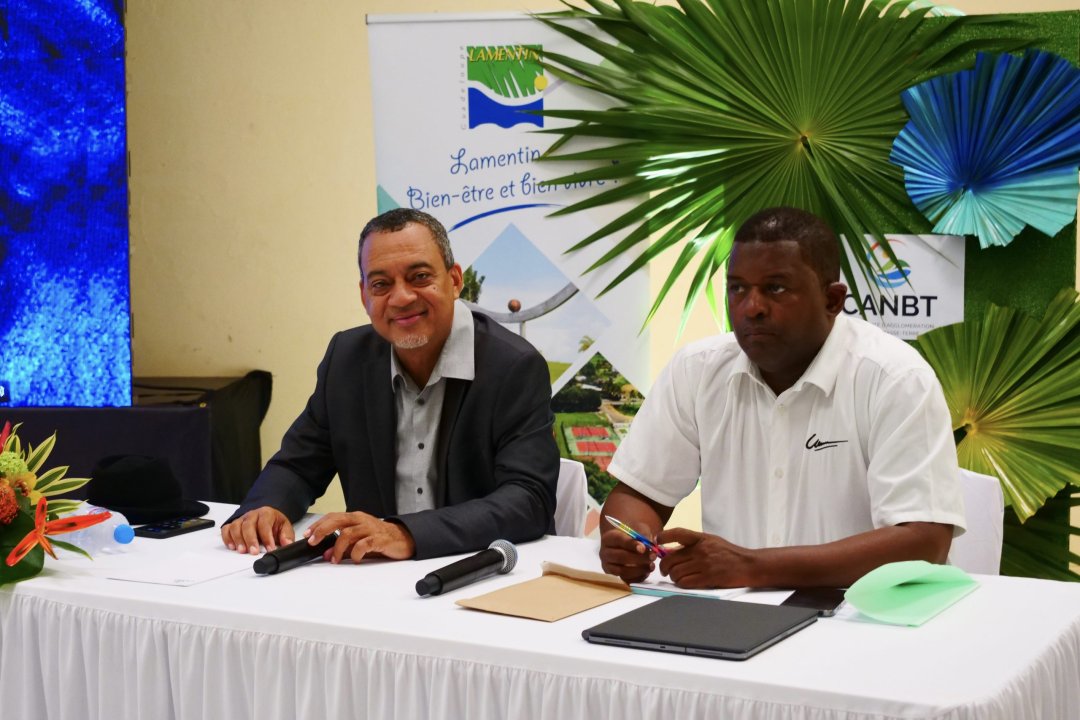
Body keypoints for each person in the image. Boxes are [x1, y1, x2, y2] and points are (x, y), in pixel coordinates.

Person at [600, 206, 964, 589]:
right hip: (734, 611)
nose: (752, 307)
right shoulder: (697, 370)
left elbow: (924, 543)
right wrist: (629, 540)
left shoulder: (895, 378)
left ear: (832, 300)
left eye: (775, 288)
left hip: (865, 611)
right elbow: (638, 494)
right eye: (737, 288)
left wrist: (752, 567)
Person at [222, 208, 559, 563]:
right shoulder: (346, 359)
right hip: (374, 573)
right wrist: (267, 507)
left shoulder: (513, 366)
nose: (401, 298)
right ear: (364, 295)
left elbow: (529, 499)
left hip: (477, 569)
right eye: (381, 284)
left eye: (420, 277)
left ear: (455, 280)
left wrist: (408, 533)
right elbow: (298, 464)